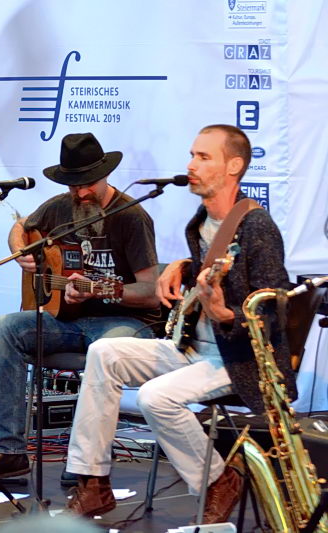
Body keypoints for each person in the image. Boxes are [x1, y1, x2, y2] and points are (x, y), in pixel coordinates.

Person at [65, 124, 293, 525]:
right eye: (192, 155)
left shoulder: (257, 226)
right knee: (104, 352)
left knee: (155, 397)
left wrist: (227, 315)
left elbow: (275, 308)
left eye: (203, 157)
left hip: (238, 359)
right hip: (192, 348)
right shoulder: (202, 220)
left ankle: (219, 480)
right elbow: (211, 272)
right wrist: (182, 267)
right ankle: (93, 481)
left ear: (233, 166)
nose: (191, 165)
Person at [0, 132, 160, 479]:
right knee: (5, 328)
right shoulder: (59, 207)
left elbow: (150, 292)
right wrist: (21, 252)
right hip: (68, 320)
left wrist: (97, 291)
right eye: (74, 185)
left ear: (105, 175)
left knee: (104, 350)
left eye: (88, 184)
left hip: (126, 321)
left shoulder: (131, 217)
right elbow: (21, 226)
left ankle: (85, 464)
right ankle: (8, 451)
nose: (80, 193)